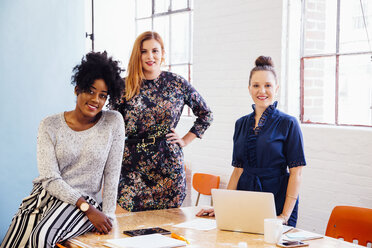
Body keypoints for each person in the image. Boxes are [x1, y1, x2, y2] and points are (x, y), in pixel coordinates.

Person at [1, 51, 125, 248]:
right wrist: (87, 208)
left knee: (41, 238)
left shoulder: (113, 122)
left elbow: (112, 175)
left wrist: (107, 216)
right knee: (13, 243)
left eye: (103, 96)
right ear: (77, 89)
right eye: (90, 91)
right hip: (47, 196)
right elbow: (50, 178)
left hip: (85, 202)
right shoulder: (49, 125)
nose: (95, 100)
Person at [197, 56, 306, 227]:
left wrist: (284, 215)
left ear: (276, 88)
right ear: (249, 89)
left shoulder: (288, 123)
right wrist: (221, 207)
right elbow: (238, 171)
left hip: (276, 200)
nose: (262, 91)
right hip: (244, 197)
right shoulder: (241, 124)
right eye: (256, 85)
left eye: (267, 85)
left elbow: (296, 173)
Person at [112, 31, 213, 212]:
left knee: (168, 227)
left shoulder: (176, 83)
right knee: (131, 228)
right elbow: (110, 125)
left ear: (162, 53)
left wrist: (185, 140)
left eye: (155, 51)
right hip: (132, 166)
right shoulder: (123, 86)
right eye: (144, 51)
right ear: (137, 54)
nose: (150, 56)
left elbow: (206, 114)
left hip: (168, 167)